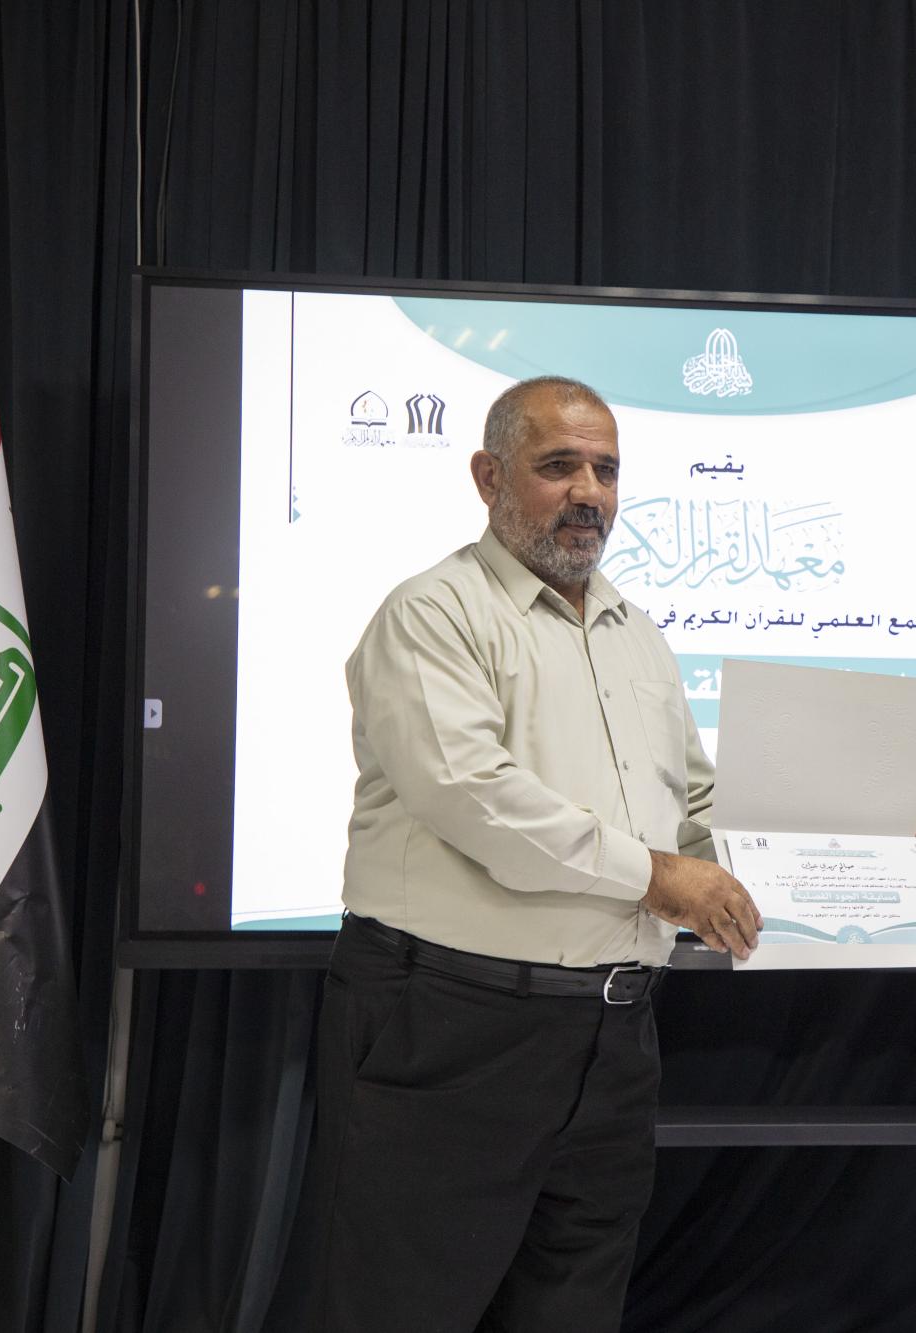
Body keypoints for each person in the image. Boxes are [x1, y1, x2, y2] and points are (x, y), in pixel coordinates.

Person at [292, 375, 762, 1332]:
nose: (589, 492)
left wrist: (841, 859)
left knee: (571, 1311)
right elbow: (476, 798)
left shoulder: (637, 635)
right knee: (396, 1309)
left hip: (614, 1037)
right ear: (489, 476)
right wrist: (661, 877)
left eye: (606, 471)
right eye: (559, 466)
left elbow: (693, 806)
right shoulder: (433, 614)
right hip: (452, 1024)